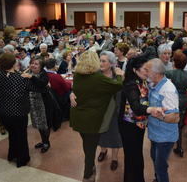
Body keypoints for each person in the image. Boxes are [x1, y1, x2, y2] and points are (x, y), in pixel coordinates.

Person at [70, 51, 123, 182]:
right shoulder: (97, 78)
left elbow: (75, 89)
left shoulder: (77, 75)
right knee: (90, 148)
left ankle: (90, 167)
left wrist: (71, 94)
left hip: (79, 119)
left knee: (87, 145)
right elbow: (117, 85)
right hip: (92, 120)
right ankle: (88, 173)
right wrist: (120, 76)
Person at [119, 53, 163, 182]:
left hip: (138, 125)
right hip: (129, 126)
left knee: (136, 156)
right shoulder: (131, 85)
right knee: (133, 157)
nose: (147, 71)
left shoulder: (141, 80)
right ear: (135, 70)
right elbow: (136, 107)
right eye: (145, 69)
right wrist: (152, 110)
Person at [0, 53, 30, 167]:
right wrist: (30, 77)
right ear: (13, 63)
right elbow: (30, 90)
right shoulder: (20, 78)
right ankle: (22, 159)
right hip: (18, 112)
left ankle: (12, 155)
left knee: (12, 134)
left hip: (2, 112)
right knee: (21, 135)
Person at [144, 58, 180, 182]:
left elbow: (175, 117)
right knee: (154, 158)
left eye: (147, 70)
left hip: (165, 137)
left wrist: (158, 114)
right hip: (156, 133)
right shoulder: (154, 83)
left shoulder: (168, 89)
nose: (145, 72)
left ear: (156, 73)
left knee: (160, 166)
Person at [165, 51, 187, 157]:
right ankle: (179, 147)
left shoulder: (169, 73)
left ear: (174, 62)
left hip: (171, 100)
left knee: (168, 123)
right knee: (178, 125)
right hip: (183, 100)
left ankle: (167, 146)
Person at [96, 51, 123, 171]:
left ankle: (115, 158)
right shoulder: (96, 75)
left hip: (114, 111)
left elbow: (121, 93)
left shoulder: (117, 75)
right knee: (101, 133)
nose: (100, 63)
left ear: (111, 63)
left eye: (103, 61)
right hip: (100, 111)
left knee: (115, 134)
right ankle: (103, 150)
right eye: (100, 60)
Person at [21, 56, 52, 153]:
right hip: (32, 103)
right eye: (32, 63)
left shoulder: (43, 74)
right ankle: (43, 141)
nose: (33, 65)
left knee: (44, 124)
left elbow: (42, 83)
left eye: (36, 64)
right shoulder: (27, 73)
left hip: (43, 103)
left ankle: (46, 142)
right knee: (38, 124)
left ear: (41, 66)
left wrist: (31, 77)